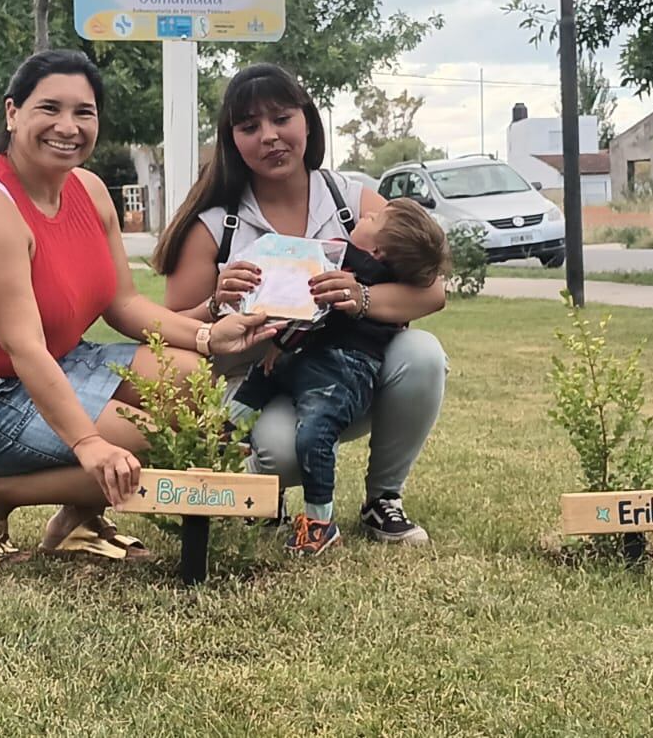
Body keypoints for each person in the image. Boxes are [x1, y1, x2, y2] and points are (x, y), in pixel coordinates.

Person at [0, 49, 276, 567]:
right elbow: (24, 348)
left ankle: (77, 522)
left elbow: (122, 303)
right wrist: (89, 443)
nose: (69, 126)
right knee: (150, 442)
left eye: (84, 112)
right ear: (12, 113)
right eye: (49, 109)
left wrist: (205, 336)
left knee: (196, 385)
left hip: (61, 361)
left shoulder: (89, 190)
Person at [155, 63, 449, 545]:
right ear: (232, 140)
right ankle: (260, 491)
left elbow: (433, 291)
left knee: (423, 355)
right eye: (250, 127)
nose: (270, 136)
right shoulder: (216, 226)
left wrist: (361, 296)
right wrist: (215, 305)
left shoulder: (354, 202)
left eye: (281, 119)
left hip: (343, 377)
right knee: (279, 454)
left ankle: (383, 501)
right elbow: (165, 331)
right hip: (263, 383)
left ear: (307, 122)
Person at [229, 199, 450, 555]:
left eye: (373, 218)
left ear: (376, 251)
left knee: (299, 420)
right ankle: (257, 483)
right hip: (318, 362)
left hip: (338, 372)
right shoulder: (378, 267)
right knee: (282, 416)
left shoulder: (348, 259)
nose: (365, 215)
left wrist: (284, 343)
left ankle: (323, 521)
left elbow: (313, 312)